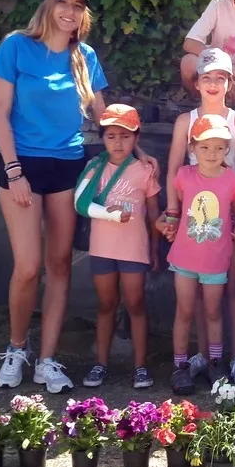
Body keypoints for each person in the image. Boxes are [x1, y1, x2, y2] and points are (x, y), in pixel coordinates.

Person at [0, 0, 112, 393]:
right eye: (65, 4)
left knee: (59, 265)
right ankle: (17, 348)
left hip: (67, 167)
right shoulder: (16, 47)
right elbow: (1, 114)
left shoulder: (86, 56)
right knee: (27, 267)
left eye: (79, 7)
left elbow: (104, 118)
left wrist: (137, 152)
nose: (71, 13)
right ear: (47, 5)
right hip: (21, 166)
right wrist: (14, 172)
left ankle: (47, 360)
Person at [165, 48, 235, 386]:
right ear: (197, 83)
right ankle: (198, 358)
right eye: (207, 77)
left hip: (229, 220)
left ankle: (232, 358)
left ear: (230, 82)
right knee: (193, 296)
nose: (214, 84)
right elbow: (174, 169)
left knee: (226, 289)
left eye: (221, 77)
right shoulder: (184, 122)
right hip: (192, 223)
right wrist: (172, 214)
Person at [159, 114, 235, 395]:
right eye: (205, 147)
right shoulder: (184, 176)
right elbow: (173, 213)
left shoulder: (234, 180)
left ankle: (215, 363)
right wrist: (166, 223)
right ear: (193, 148)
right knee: (184, 311)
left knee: (213, 311)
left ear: (227, 150)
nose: (212, 154)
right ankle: (180, 367)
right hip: (184, 258)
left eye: (219, 147)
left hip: (215, 260)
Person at [73, 104, 160, 389]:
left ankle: (140, 367)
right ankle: (100, 364)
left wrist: (155, 249)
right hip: (102, 249)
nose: (118, 142)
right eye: (111, 136)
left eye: (125, 136)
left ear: (136, 138)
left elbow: (153, 214)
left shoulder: (145, 171)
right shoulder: (94, 167)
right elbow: (81, 203)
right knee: (106, 304)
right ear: (103, 138)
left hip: (134, 249)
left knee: (135, 304)